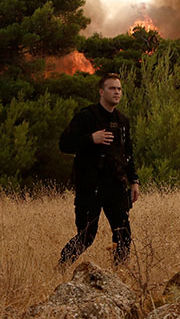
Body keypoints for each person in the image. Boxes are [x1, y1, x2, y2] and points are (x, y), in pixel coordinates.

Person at [57, 73, 140, 268]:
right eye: (112, 88)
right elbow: (64, 144)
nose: (117, 92)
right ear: (101, 92)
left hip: (116, 185)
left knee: (123, 233)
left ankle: (119, 274)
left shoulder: (123, 121)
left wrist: (134, 181)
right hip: (90, 185)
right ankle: (61, 267)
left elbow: (127, 154)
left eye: (119, 89)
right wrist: (90, 139)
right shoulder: (86, 117)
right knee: (86, 235)